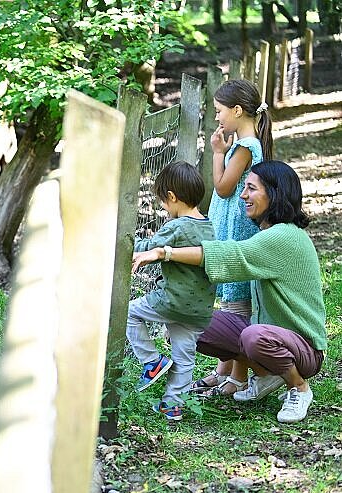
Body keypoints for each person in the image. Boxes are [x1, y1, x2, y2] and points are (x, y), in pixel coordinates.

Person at [132, 161, 326, 424]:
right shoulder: (268, 233)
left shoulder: (284, 237)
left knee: (254, 336)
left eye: (251, 188)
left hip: (304, 349)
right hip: (272, 336)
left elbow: (230, 255)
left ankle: (298, 387)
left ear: (274, 194)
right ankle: (266, 374)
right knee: (196, 320)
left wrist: (164, 252)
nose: (243, 195)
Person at [193, 79, 274, 398]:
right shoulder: (247, 144)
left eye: (219, 111)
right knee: (231, 302)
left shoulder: (245, 146)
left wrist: (217, 153)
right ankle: (224, 369)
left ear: (237, 110)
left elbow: (224, 188)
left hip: (236, 232)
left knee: (236, 305)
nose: (217, 117)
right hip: (232, 229)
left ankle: (238, 375)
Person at [127, 161, 215, 421]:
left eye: (163, 202)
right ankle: (172, 406)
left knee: (129, 313)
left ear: (172, 197)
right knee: (184, 356)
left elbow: (149, 248)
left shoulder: (177, 226)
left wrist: (126, 241)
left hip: (171, 300)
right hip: (199, 309)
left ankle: (152, 362)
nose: (164, 207)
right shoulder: (209, 226)